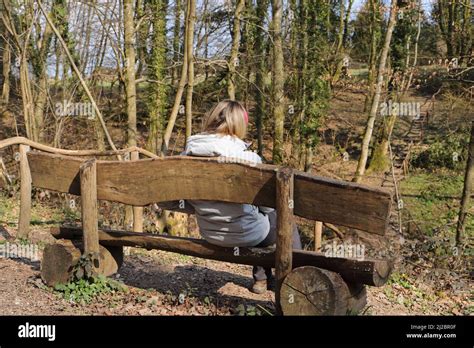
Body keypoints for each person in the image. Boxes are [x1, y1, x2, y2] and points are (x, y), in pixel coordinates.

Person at [160, 100, 302, 294]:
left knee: (256, 219)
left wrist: (202, 207)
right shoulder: (249, 159)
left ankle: (261, 280)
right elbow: (267, 207)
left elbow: (167, 200)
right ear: (239, 125)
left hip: (210, 233)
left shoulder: (186, 156)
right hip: (248, 234)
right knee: (283, 221)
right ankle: (295, 282)